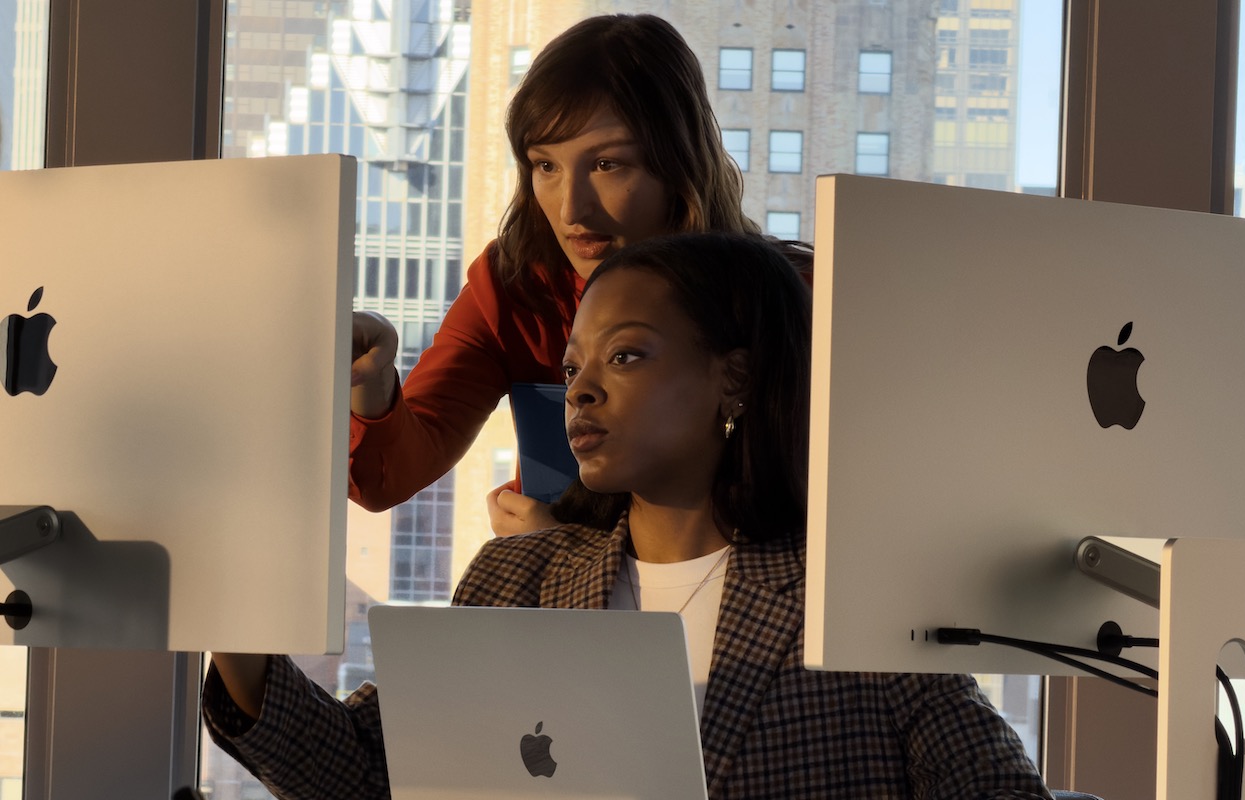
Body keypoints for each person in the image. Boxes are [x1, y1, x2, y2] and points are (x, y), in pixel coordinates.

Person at [205, 232, 1053, 799]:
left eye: (627, 355)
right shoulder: (517, 578)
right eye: (573, 366)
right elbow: (365, 775)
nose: (582, 389)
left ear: (734, 378)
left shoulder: (852, 601)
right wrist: (234, 601)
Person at [346, 13, 766, 535]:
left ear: (679, 163)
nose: (571, 209)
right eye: (546, 166)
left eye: (607, 164)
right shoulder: (512, 286)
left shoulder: (785, 297)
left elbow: (822, 518)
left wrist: (560, 553)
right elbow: (384, 479)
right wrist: (374, 383)